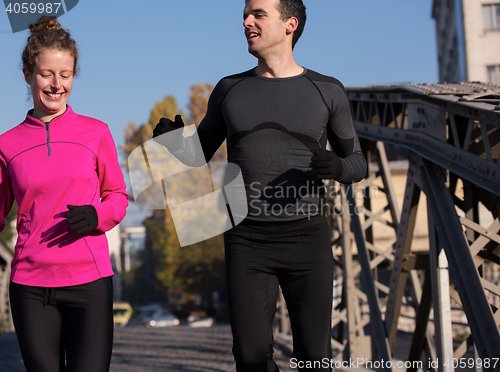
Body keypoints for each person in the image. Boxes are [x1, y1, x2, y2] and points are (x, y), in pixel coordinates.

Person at [153, 0, 366, 370]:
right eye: (244, 16)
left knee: (315, 359)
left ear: (290, 24)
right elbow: (199, 153)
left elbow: (358, 163)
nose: (247, 22)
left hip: (307, 239)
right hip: (246, 241)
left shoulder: (327, 90)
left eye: (257, 14)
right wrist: (173, 143)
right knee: (250, 357)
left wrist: (336, 166)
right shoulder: (229, 89)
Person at [0, 16, 129, 372]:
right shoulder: (6, 145)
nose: (56, 85)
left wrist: (96, 217)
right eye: (46, 74)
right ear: (28, 75)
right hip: (30, 286)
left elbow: (118, 195)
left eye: (65, 75)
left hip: (89, 281)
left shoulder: (96, 132)